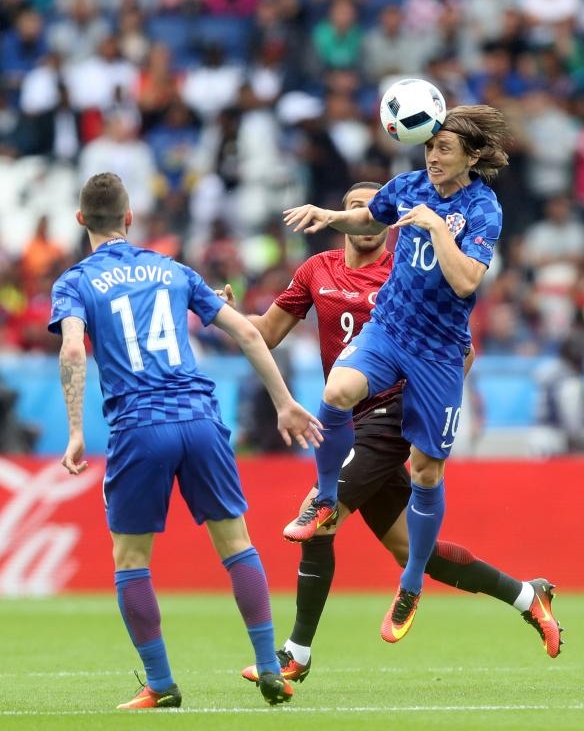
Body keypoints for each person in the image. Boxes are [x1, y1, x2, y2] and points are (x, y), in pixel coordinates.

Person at [218, 182, 562, 683]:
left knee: (319, 515)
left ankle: (297, 654)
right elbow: (266, 334)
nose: (365, 215)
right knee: (413, 553)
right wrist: (224, 314)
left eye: (373, 208)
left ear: (389, 220)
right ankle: (529, 596)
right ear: (346, 217)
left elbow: (460, 350)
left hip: (390, 418)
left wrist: (423, 403)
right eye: (355, 206)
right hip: (346, 424)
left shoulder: (408, 272)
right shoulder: (315, 271)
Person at [48, 172, 323, 710]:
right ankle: (270, 668)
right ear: (129, 219)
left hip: (138, 426)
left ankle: (161, 683)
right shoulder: (173, 270)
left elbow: (74, 351)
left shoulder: (75, 282)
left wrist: (77, 429)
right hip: (200, 419)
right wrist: (285, 401)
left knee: (130, 558)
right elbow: (246, 331)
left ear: (81, 220)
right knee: (237, 544)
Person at [282, 106, 511, 643]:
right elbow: (372, 218)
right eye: (429, 147)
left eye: (444, 150)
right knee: (337, 389)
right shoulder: (408, 185)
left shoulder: (483, 209)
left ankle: (411, 585)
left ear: (472, 156)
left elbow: (464, 283)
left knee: (427, 473)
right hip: (390, 327)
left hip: (437, 352)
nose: (432, 157)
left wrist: (436, 230)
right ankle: (322, 499)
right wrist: (329, 215)